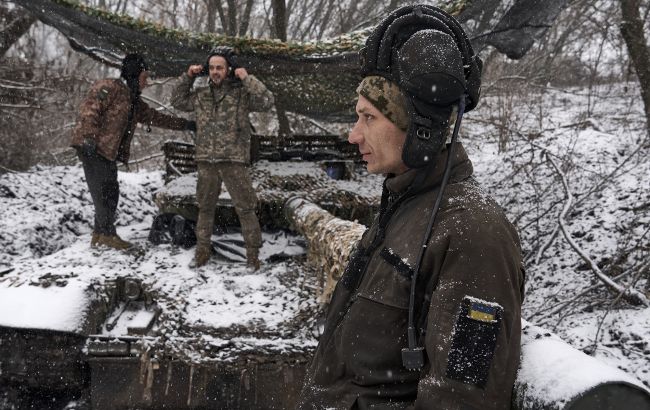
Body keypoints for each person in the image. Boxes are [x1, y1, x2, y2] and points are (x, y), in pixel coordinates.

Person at [297, 5, 525, 410]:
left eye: (368, 117)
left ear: (420, 128)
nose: (353, 135)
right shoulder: (404, 206)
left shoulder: (473, 236)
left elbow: (459, 402)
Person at [71, 53, 195, 250]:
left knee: (109, 192)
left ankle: (100, 234)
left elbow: (155, 117)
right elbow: (90, 110)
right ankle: (106, 235)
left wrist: (186, 125)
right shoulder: (110, 87)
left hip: (106, 152)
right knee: (104, 193)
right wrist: (88, 138)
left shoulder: (133, 100)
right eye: (144, 77)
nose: (146, 82)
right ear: (134, 75)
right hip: (93, 148)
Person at [170, 47, 274, 270]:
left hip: (233, 160)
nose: (215, 72)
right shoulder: (201, 95)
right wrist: (188, 76)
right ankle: (202, 253)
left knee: (245, 208)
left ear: (229, 69)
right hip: (206, 160)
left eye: (220, 67)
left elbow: (266, 101)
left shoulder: (241, 94)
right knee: (205, 208)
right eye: (212, 68)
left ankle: (253, 257)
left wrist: (246, 78)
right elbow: (177, 100)